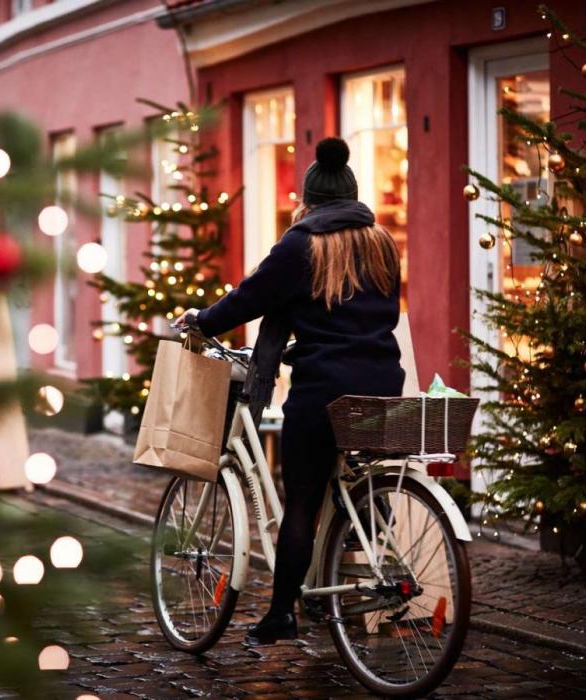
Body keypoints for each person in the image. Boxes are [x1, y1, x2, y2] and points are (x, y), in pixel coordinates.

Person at [173, 137, 405, 645]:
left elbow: (250, 298)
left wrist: (203, 320)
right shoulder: (383, 241)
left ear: (309, 199)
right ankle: (340, 579)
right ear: (352, 195)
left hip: (324, 387)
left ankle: (281, 613)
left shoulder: (302, 244)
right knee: (345, 483)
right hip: (384, 381)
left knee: (301, 500)